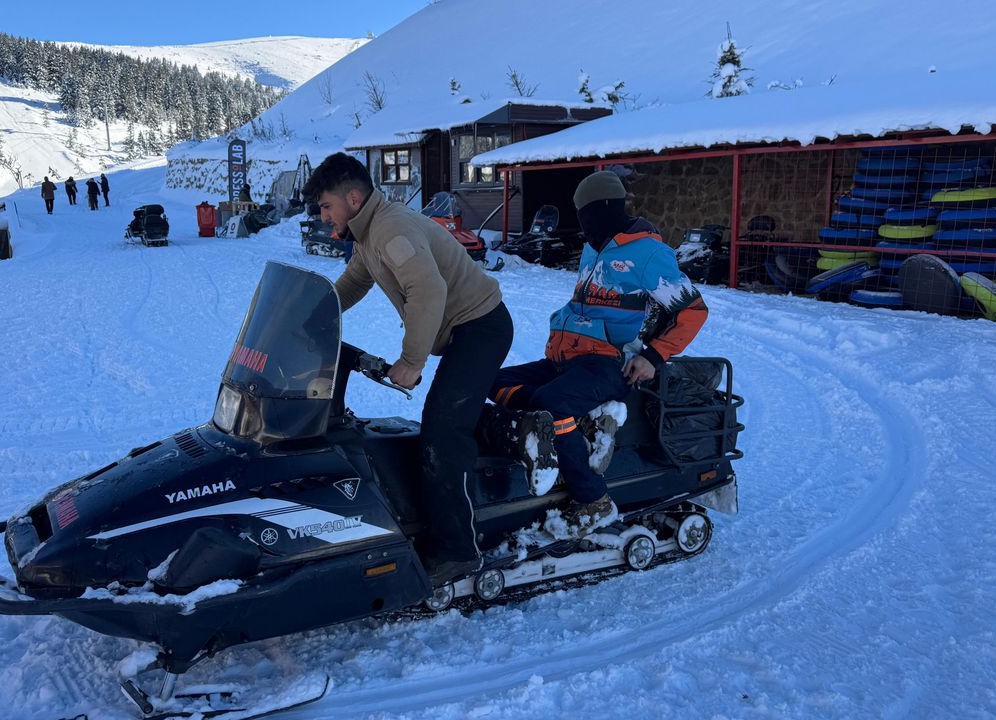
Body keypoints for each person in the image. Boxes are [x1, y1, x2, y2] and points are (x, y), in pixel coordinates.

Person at [303, 152, 513, 585]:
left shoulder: (390, 228)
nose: (323, 217)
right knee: (448, 417)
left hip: (481, 327)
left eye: (326, 206)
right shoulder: (369, 232)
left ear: (353, 198)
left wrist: (411, 361)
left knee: (442, 431)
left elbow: (428, 290)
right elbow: (355, 281)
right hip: (463, 330)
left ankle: (458, 552)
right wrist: (310, 317)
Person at [486, 171, 709, 534]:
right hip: (568, 358)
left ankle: (593, 499)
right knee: (492, 381)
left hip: (610, 362)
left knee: (552, 402)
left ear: (605, 209)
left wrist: (653, 357)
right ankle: (571, 432)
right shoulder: (593, 248)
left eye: (586, 215)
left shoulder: (648, 253)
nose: (582, 224)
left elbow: (693, 311)